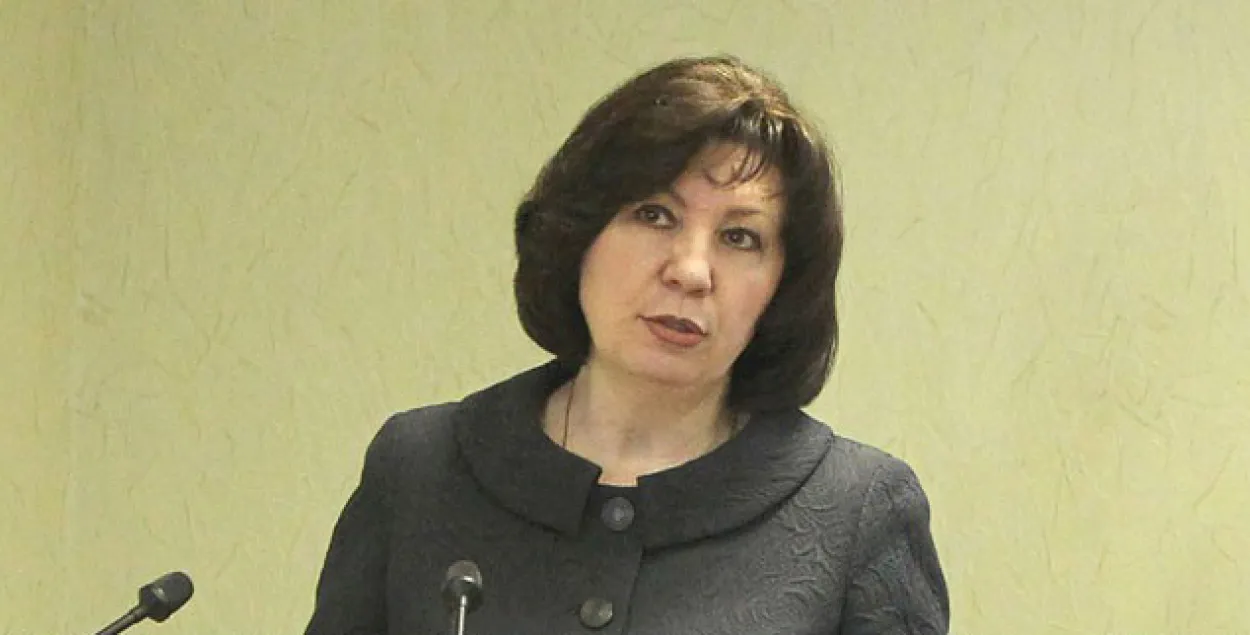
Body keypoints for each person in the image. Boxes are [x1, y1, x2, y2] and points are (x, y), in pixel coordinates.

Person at [304, 55, 949, 635]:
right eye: (654, 215)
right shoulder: (420, 471)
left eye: (740, 238)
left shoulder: (857, 513)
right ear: (578, 234)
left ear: (782, 285)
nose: (691, 271)